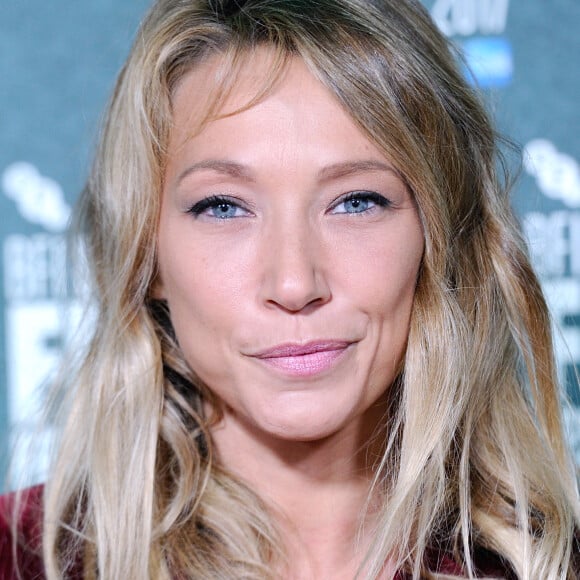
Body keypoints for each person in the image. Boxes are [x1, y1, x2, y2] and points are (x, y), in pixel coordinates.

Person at [1, 0, 579, 578]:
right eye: (223, 207)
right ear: (147, 257)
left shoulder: (552, 561)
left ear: (439, 239)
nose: (295, 283)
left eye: (356, 202)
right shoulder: (19, 556)